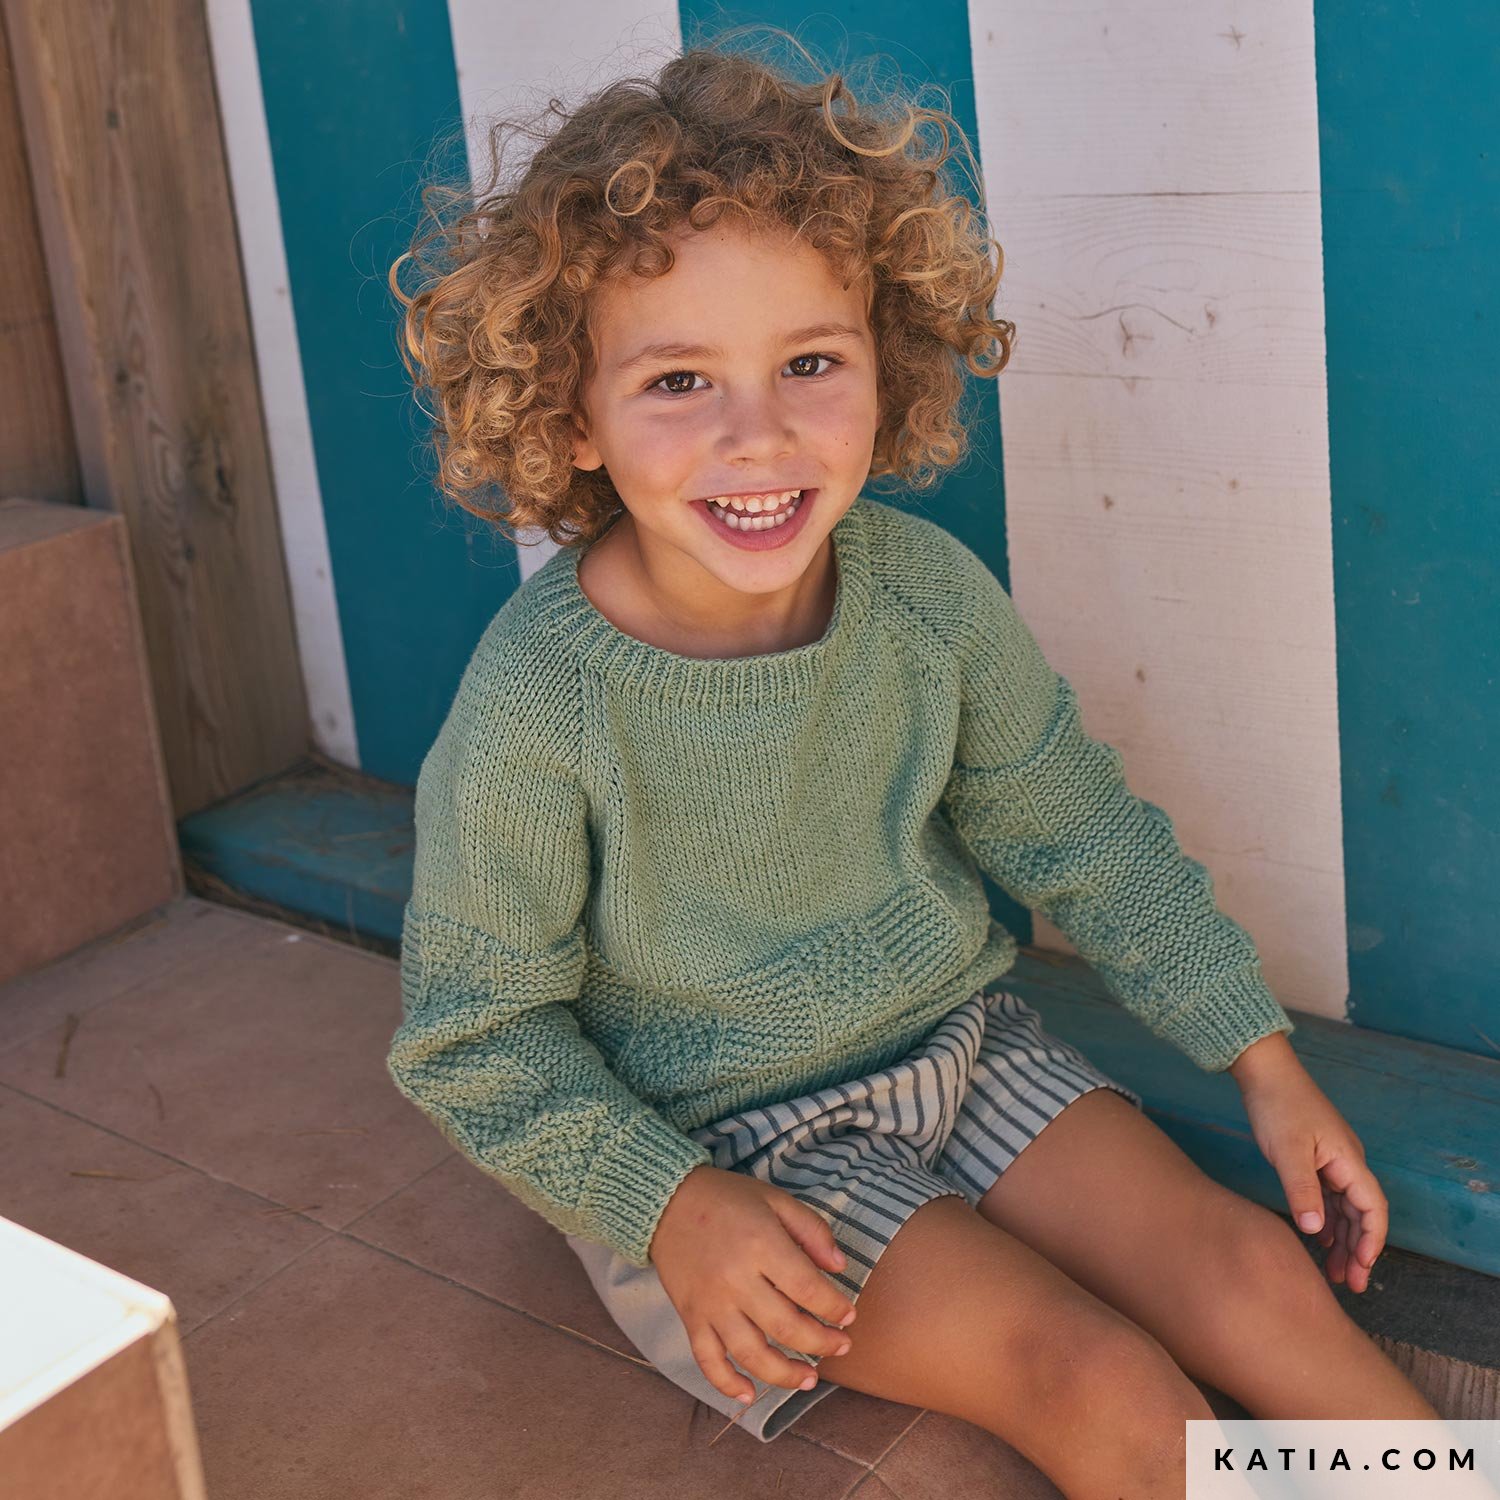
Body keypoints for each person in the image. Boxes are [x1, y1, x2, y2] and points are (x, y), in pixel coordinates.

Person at [383, 31, 1440, 1491]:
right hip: (721, 1145)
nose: (759, 436)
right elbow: (472, 1037)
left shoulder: (923, 597)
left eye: (810, 363)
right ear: (571, 419)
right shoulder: (538, 704)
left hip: (960, 1044)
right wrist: (670, 1207)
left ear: (888, 362)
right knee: (1100, 1381)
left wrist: (1260, 1059)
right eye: (679, 380)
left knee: (1251, 1273)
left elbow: (1079, 828)